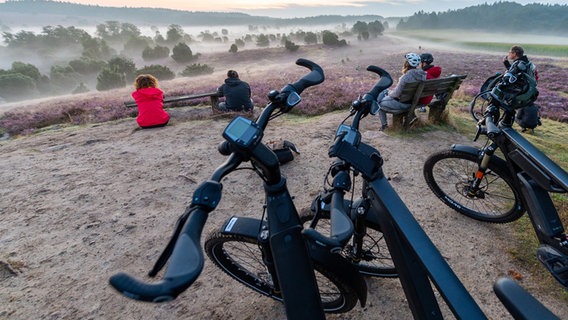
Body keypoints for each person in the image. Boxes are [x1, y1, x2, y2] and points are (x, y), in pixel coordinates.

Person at [376, 53, 426, 130]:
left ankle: (384, 126)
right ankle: (412, 116)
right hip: (412, 102)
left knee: (379, 103)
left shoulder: (405, 77)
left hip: (403, 104)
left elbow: (396, 94)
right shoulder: (422, 75)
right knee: (384, 94)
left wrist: (389, 93)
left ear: (407, 63)